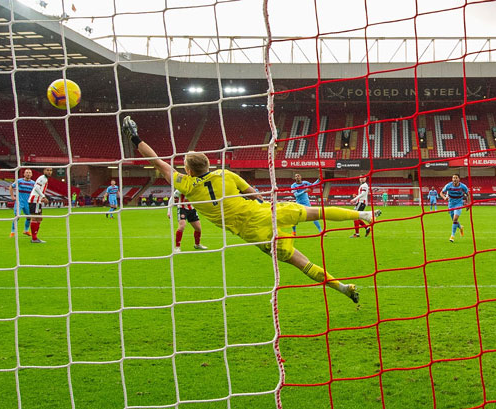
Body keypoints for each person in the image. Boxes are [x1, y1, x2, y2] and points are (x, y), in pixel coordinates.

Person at [122, 116, 379, 303]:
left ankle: (343, 287)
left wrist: (134, 136)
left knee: (302, 262)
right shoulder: (226, 174)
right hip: (266, 212)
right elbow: (254, 194)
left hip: (255, 233)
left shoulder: (185, 184)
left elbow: (156, 161)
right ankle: (363, 214)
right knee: (316, 212)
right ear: (208, 164)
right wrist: (264, 203)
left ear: (188, 170)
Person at [440, 174, 469, 243]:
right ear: (452, 179)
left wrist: (468, 204)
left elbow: (468, 194)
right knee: (454, 220)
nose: (455, 179)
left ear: (459, 179)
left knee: (455, 219)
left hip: (459, 204)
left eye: (456, 178)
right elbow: (441, 192)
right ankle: (460, 227)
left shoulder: (463, 186)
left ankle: (452, 236)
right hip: (451, 204)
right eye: (453, 178)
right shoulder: (448, 185)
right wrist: (444, 198)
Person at [27, 167, 52, 243]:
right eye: (47, 170)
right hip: (35, 200)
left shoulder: (44, 178)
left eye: (51, 170)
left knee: (39, 218)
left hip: (37, 200)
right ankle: (34, 238)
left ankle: (35, 237)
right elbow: (36, 188)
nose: (49, 172)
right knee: (35, 218)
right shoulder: (42, 178)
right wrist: (43, 196)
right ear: (44, 171)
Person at [9, 169, 34, 237]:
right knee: (17, 216)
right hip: (19, 202)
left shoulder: (33, 183)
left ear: (31, 174)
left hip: (28, 203)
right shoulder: (19, 181)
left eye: (29, 173)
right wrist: (12, 196)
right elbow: (11, 186)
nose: (28, 174)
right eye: (27, 172)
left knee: (29, 217)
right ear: (24, 174)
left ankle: (26, 230)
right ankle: (12, 232)